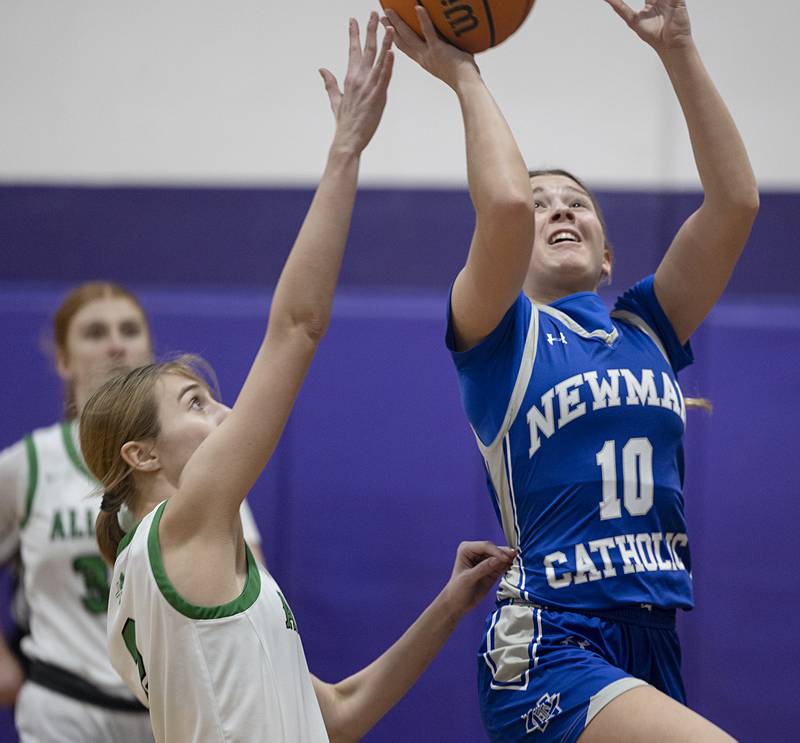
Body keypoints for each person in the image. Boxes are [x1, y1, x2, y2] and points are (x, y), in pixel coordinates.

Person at [78, 15, 516, 743]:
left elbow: (338, 712)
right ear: (141, 453)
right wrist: (345, 152)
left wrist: (449, 604)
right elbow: (296, 328)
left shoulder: (142, 585)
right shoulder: (184, 523)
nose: (226, 414)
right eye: (196, 403)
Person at [383, 1, 758, 740]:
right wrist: (463, 74)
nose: (559, 212)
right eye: (543, 205)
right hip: (549, 639)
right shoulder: (502, 336)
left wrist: (678, 51)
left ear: (607, 255)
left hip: (650, 637)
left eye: (578, 204)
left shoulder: (648, 327)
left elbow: (736, 202)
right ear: (510, 253)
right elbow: (503, 203)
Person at [0, 281, 264, 742]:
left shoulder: (199, 463)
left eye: (129, 330)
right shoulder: (30, 463)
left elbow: (250, 585)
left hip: (172, 714)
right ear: (63, 360)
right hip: (65, 709)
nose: (116, 345)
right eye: (95, 333)